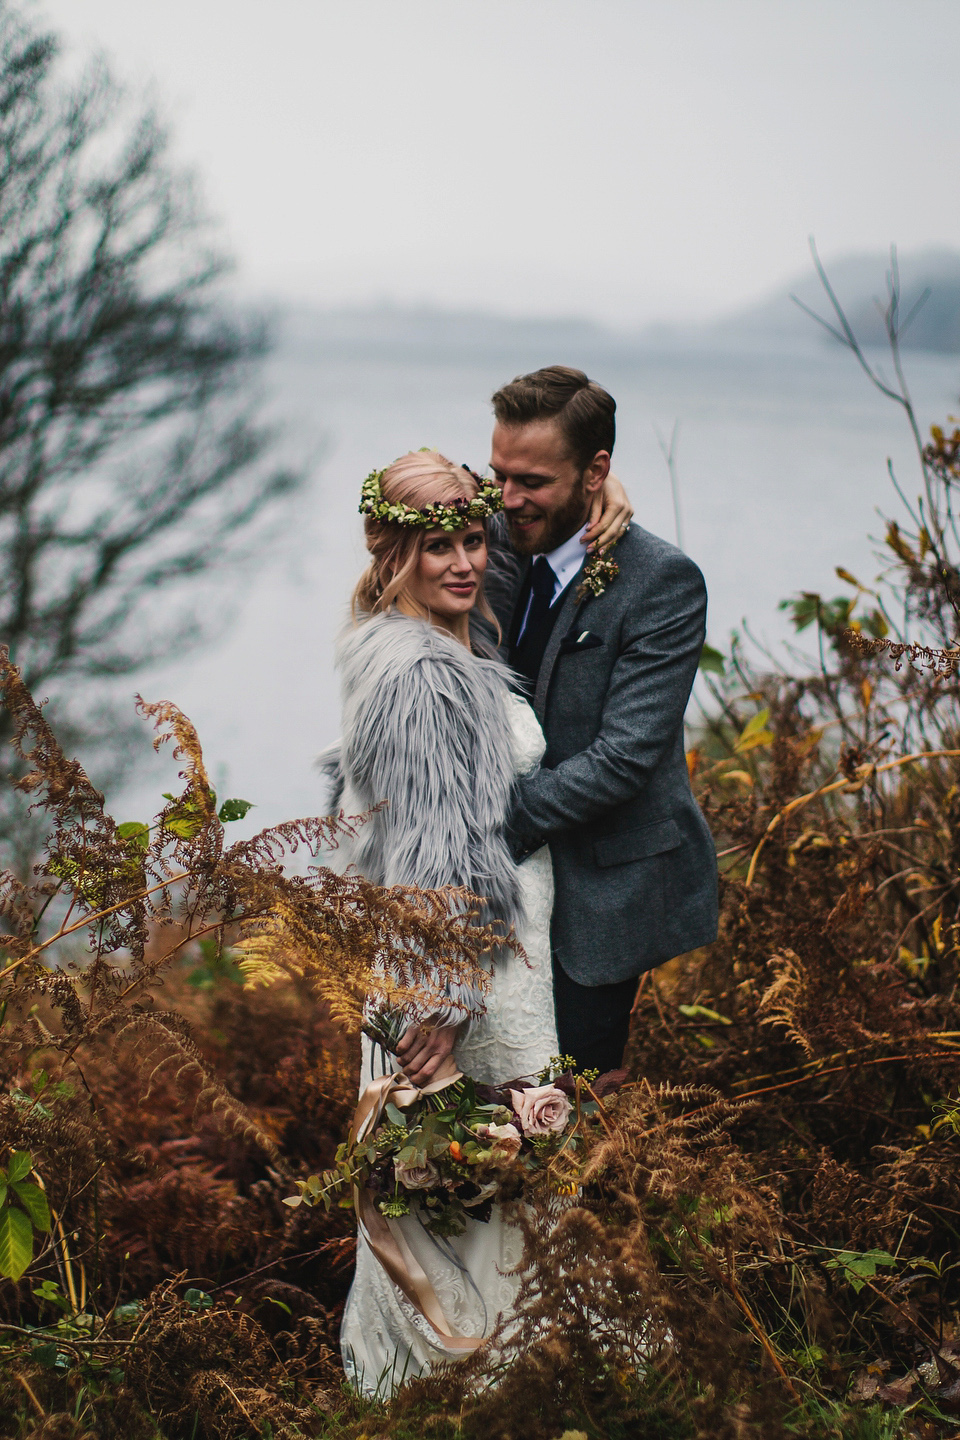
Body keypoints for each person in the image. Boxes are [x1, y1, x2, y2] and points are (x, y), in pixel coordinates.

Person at [325, 449, 630, 1395]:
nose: (463, 561)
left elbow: (510, 511)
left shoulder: (442, 639)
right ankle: (484, 1382)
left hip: (498, 946)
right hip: (472, 969)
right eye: (436, 547)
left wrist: (596, 499)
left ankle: (501, 1379)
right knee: (482, 1172)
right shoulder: (421, 673)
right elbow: (430, 854)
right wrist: (446, 1002)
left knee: (492, 1175)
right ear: (394, 557)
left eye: (471, 539)